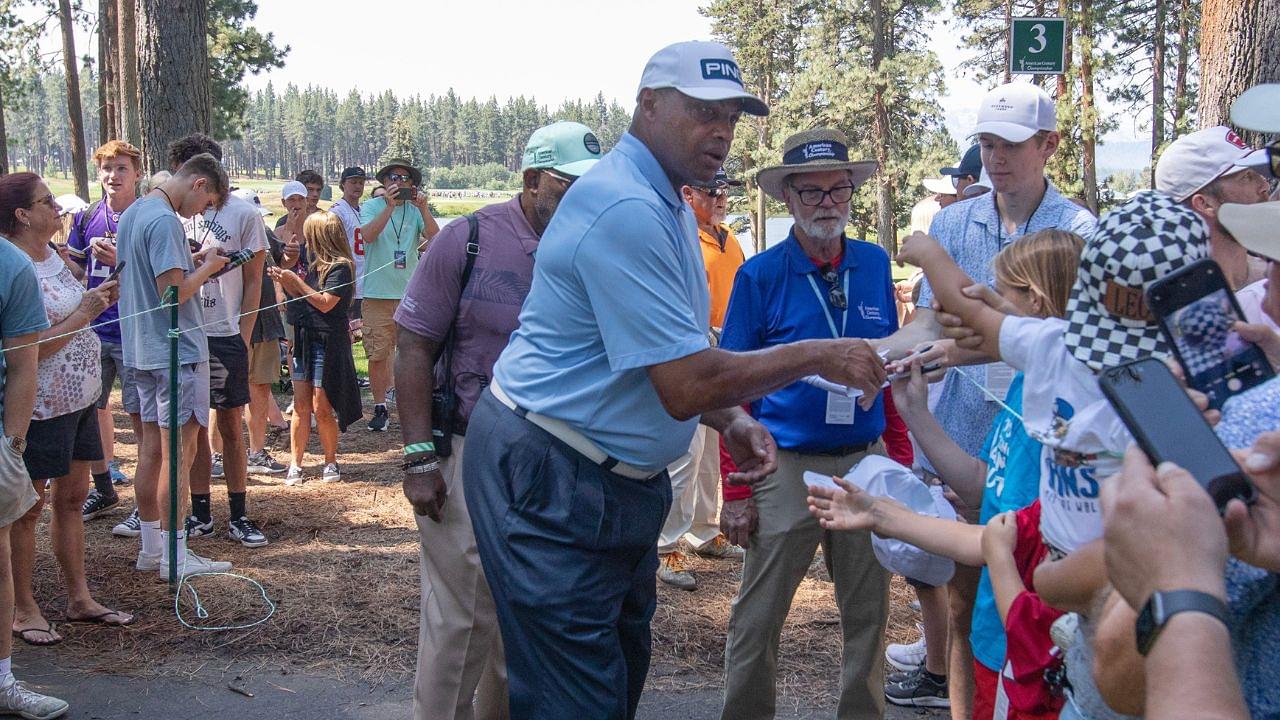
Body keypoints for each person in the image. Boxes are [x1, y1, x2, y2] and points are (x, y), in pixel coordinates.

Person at [463, 41, 885, 720]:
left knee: (611, 679)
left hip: (604, 477)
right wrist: (816, 355)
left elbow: (660, 352)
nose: (720, 131)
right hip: (556, 470)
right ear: (649, 106)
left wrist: (734, 418)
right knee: (576, 699)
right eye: (702, 112)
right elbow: (686, 383)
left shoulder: (662, 202)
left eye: (731, 116)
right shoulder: (627, 207)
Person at [896, 191, 1212, 720]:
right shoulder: (1173, 380)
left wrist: (928, 252)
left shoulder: (1060, 352)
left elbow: (965, 307)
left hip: (1043, 601)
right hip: (1118, 598)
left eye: (1005, 291)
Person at [875, 82, 1097, 720]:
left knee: (1040, 622)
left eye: (1012, 146)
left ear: (1049, 146)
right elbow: (930, 321)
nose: (996, 159)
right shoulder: (953, 219)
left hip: (1045, 455)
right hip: (971, 437)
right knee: (965, 611)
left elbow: (1063, 342)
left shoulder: (1077, 229)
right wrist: (880, 350)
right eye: (987, 144)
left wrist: (966, 346)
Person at [394, 120, 601, 720]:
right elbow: (412, 346)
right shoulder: (469, 238)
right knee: (461, 619)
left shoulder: (592, 248)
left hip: (558, 460)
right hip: (466, 451)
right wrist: (417, 459)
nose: (581, 201)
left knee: (525, 622)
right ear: (533, 179)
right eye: (568, 186)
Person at [715, 128, 897, 719]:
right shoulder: (760, 276)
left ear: (851, 194)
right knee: (758, 618)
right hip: (784, 465)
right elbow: (730, 389)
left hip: (865, 464)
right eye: (812, 192)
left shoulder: (872, 264)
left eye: (837, 189)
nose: (827, 203)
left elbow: (888, 368)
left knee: (869, 618)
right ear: (789, 200)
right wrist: (737, 489)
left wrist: (901, 459)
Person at [885, 230, 1083, 713]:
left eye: (999, 295)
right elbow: (982, 485)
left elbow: (1005, 529)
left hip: (1030, 632)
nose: (986, 305)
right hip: (998, 623)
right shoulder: (1028, 384)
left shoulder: (1063, 404)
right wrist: (917, 416)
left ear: (1033, 304)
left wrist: (929, 254)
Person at [0, 172, 134, 651]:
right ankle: (22, 608)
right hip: (38, 405)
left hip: (79, 398)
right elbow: (27, 350)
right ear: (21, 215)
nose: (57, 209)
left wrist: (97, 297)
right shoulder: (14, 265)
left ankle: (79, 598)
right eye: (46, 202)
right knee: (26, 509)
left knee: (73, 499)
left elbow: (73, 308)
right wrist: (85, 314)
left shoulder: (52, 256)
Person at [115, 153, 233, 577]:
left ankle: (152, 547)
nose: (201, 212)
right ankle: (175, 556)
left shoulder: (134, 212)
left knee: (150, 450)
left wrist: (192, 265)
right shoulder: (164, 220)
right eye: (207, 203)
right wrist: (209, 266)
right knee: (178, 454)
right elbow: (172, 295)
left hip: (141, 351)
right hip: (175, 352)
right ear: (198, 184)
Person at [170, 136, 269, 550]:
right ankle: (201, 512)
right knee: (190, 427)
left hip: (225, 333)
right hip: (186, 333)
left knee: (230, 424)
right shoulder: (171, 213)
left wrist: (243, 335)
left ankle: (240, 513)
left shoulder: (244, 214)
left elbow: (254, 281)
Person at [0, 173, 71, 718]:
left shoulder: (12, 266)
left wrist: (13, 442)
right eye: (45, 201)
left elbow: (24, 361)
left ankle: (3, 681)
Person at [658, 167, 747, 591]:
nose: (721, 197)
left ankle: (704, 530)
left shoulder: (728, 238)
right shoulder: (679, 235)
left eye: (725, 191)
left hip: (726, 352)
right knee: (686, 452)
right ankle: (666, 546)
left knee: (714, 449)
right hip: (693, 351)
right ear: (689, 194)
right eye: (713, 191)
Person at [70, 141, 144, 521]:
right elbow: (77, 272)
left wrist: (122, 261)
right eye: (106, 169)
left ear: (137, 174)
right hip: (94, 330)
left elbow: (162, 275)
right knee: (91, 410)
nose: (113, 176)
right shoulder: (86, 218)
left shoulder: (147, 216)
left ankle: (144, 505)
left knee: (139, 415)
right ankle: (103, 489)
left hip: (134, 331)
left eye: (121, 169)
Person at [270, 211, 360, 484]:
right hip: (304, 339)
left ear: (321, 235)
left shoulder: (341, 267)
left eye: (310, 233)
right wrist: (284, 283)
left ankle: (330, 461)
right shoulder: (309, 264)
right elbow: (302, 299)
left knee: (322, 405)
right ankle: (295, 464)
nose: (306, 239)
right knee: (300, 406)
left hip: (328, 342)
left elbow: (325, 303)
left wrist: (294, 282)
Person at [359, 160, 440, 432]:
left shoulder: (416, 211)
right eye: (395, 177)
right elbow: (367, 236)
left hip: (410, 293)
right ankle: (380, 407)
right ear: (385, 182)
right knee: (378, 354)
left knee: (412, 352)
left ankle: (411, 405)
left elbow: (436, 241)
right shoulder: (372, 206)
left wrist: (425, 210)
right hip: (377, 293)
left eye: (406, 178)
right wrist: (389, 207)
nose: (401, 182)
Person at [1153, 125, 1272, 290]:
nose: (1264, 185)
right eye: (1246, 177)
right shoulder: (1181, 302)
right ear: (1204, 204)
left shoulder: (1272, 278)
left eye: (1258, 173)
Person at [232, 188, 289, 476]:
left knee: (261, 389)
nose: (257, 222)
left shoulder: (265, 235)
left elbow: (284, 259)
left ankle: (256, 452)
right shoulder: (228, 241)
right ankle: (218, 455)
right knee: (224, 396)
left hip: (265, 324)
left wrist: (288, 254)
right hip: (236, 327)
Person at [330, 167, 367, 323]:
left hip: (365, 281)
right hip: (348, 280)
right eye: (353, 182)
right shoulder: (338, 212)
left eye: (361, 183)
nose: (357, 186)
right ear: (343, 184)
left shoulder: (364, 211)